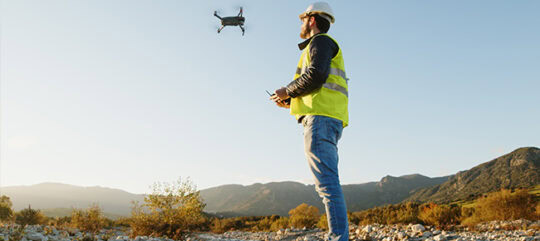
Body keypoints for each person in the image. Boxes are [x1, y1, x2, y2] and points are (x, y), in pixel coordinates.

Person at [270, 2, 349, 241]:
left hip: (321, 120)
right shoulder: (322, 45)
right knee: (328, 182)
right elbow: (318, 85)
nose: (301, 23)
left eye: (303, 18)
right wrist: (290, 102)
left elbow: (315, 75)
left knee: (327, 184)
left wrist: (287, 91)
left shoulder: (320, 42)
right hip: (327, 118)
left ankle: (338, 238)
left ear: (312, 19)